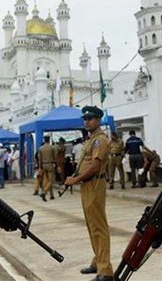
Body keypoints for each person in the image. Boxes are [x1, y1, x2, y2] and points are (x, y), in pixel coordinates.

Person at [65, 106, 113, 281]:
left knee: (99, 227)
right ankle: (98, 261)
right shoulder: (91, 139)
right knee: (92, 226)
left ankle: (105, 270)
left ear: (98, 120)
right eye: (85, 118)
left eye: (90, 118)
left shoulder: (100, 140)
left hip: (94, 184)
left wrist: (75, 180)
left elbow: (95, 167)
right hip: (87, 185)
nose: (87, 121)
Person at [38, 135, 58, 200]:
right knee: (51, 181)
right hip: (50, 165)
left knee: (48, 180)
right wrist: (57, 166)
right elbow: (55, 158)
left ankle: (51, 195)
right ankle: (44, 192)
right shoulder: (52, 147)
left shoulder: (41, 148)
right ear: (49, 140)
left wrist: (40, 167)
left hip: (43, 165)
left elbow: (40, 159)